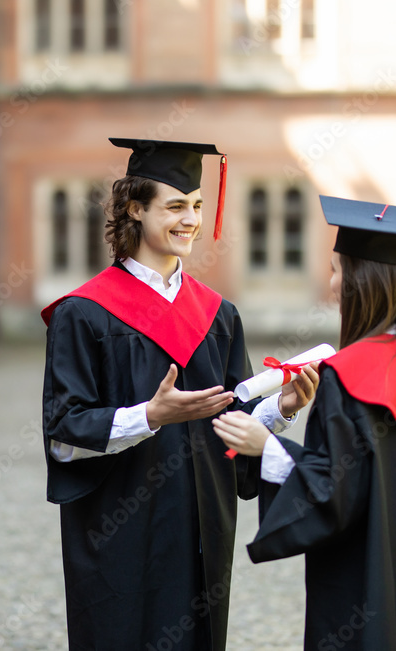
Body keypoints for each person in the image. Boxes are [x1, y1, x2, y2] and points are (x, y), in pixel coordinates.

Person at [41, 138, 320, 649]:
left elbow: (233, 426)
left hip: (200, 532)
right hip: (119, 532)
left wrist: (280, 410)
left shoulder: (218, 316)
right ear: (135, 209)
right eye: (174, 206)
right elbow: (63, 436)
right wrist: (149, 416)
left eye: (196, 206)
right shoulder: (82, 314)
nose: (190, 219)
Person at [213, 196, 396, 650]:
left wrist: (268, 447)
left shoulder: (346, 376)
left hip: (367, 597)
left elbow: (334, 494)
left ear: (364, 283)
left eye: (339, 270)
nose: (333, 284)